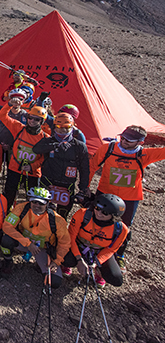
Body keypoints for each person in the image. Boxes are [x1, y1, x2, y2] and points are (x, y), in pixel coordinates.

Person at [88, 125, 165, 271]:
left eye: (129, 141)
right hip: (105, 193)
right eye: (122, 138)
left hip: (129, 198)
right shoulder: (108, 149)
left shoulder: (144, 154)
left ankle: (119, 255)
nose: (123, 141)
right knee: (95, 221)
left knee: (124, 228)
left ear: (140, 142)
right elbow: (92, 166)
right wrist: (85, 187)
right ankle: (93, 248)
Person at [0, 187, 70, 288]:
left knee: (54, 282)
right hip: (25, 243)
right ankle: (7, 261)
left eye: (41, 203)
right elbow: (7, 226)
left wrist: (56, 262)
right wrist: (28, 243)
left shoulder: (57, 221)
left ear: (47, 203)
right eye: (34, 202)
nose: (37, 205)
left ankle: (40, 265)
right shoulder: (21, 208)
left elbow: (64, 243)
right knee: (6, 240)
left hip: (43, 249)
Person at [63, 194, 129, 288]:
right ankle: (67, 265)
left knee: (116, 279)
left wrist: (97, 262)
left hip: (100, 251)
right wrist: (79, 260)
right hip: (79, 246)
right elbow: (71, 237)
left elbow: (111, 249)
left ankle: (99, 273)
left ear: (114, 216)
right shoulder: (82, 214)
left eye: (105, 212)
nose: (99, 213)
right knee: (64, 258)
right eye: (97, 208)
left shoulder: (121, 229)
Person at [32, 112, 90, 218]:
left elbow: (84, 168)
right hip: (48, 183)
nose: (62, 131)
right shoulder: (48, 141)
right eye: (59, 128)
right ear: (54, 128)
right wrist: (55, 145)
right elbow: (36, 149)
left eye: (66, 128)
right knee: (43, 214)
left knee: (62, 216)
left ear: (72, 128)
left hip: (67, 186)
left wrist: (83, 187)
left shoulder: (79, 146)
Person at [0, 101, 50, 208]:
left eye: (36, 119)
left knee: (32, 200)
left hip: (33, 174)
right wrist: (10, 104)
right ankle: (5, 214)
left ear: (42, 121)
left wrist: (32, 166)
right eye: (30, 118)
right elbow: (2, 116)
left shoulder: (45, 138)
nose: (32, 121)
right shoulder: (18, 128)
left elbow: (44, 159)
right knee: (8, 196)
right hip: (14, 169)